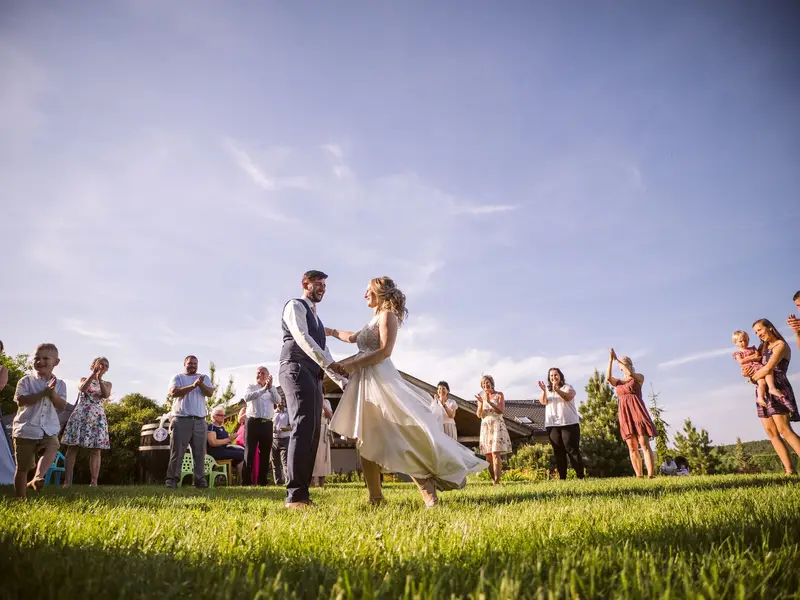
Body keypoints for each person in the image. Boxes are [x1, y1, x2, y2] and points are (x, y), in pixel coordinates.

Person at [328, 277, 487, 507]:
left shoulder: (387, 316)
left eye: (367, 291)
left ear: (379, 292)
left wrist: (353, 365)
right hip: (363, 383)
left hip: (380, 379)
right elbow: (352, 337)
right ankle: (376, 498)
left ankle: (426, 486)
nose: (364, 296)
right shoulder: (371, 320)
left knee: (396, 434)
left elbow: (385, 350)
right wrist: (331, 332)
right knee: (364, 437)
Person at [279, 270, 346, 509]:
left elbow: (324, 353)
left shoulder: (318, 319)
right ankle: (294, 496)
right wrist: (327, 364)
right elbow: (302, 338)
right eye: (318, 284)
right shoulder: (295, 306)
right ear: (305, 284)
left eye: (324, 285)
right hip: (295, 368)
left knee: (313, 430)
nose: (322, 288)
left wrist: (341, 381)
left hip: (314, 374)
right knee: (303, 424)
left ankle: (303, 494)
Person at [12, 343, 67, 499]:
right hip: (26, 428)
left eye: (45, 358)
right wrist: (43, 393)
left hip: (48, 428)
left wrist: (52, 394)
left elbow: (61, 405)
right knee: (22, 467)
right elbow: (21, 400)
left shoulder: (60, 384)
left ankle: (37, 477)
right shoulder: (26, 381)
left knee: (53, 445)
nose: (40, 361)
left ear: (56, 362)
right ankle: (21, 498)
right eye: (36, 358)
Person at [750, 318, 800, 475]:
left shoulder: (781, 345)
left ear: (770, 327)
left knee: (784, 429)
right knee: (771, 432)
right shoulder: (762, 348)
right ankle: (789, 471)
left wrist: (753, 376)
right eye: (756, 332)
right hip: (763, 390)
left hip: (778, 388)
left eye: (760, 329)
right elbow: (755, 370)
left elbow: (768, 368)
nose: (759, 334)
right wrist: (751, 376)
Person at [165, 355, 214, 489]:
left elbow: (210, 393)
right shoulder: (178, 378)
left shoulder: (204, 378)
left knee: (199, 453)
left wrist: (200, 384)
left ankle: (199, 480)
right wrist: (193, 386)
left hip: (199, 421)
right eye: (190, 363)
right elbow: (173, 392)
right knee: (178, 452)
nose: (192, 365)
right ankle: (172, 480)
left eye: (195, 363)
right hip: (181, 419)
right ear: (184, 364)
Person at [61, 357, 112, 487]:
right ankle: (67, 482)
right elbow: (82, 389)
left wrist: (99, 379)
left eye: (106, 365)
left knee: (96, 449)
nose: (103, 367)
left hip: (97, 417)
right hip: (81, 414)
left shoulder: (107, 384)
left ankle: (94, 482)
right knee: (72, 447)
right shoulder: (84, 379)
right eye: (101, 364)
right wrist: (93, 375)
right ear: (94, 364)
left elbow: (105, 395)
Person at [607, 349, 657, 479]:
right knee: (632, 446)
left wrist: (618, 359)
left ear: (629, 364)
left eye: (625, 363)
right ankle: (639, 475)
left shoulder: (638, 377)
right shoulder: (618, 382)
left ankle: (651, 475)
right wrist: (611, 360)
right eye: (621, 364)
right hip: (625, 413)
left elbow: (629, 373)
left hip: (637, 411)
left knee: (644, 443)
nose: (622, 366)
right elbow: (608, 378)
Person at [538, 367, 585, 480]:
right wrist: (544, 390)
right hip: (552, 425)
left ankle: (580, 476)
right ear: (549, 378)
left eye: (556, 375)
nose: (554, 377)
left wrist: (557, 390)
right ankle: (562, 478)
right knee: (558, 452)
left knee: (572, 450)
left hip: (569, 423)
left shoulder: (567, 387)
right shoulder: (547, 390)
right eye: (551, 376)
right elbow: (543, 401)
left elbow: (568, 397)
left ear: (560, 376)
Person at [243, 366, 279, 486]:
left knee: (265, 453)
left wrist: (270, 389)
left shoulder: (272, 389)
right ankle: (246, 481)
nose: (260, 375)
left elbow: (278, 401)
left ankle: (262, 480)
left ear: (268, 376)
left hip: (267, 423)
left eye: (263, 373)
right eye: (258, 373)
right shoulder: (251, 387)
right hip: (253, 422)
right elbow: (247, 397)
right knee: (250, 452)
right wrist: (263, 389)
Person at [475, 375, 512, 485]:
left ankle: (497, 480)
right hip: (486, 425)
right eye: (483, 384)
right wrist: (481, 404)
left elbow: (501, 410)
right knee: (488, 455)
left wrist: (490, 402)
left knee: (496, 453)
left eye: (487, 383)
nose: (486, 385)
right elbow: (479, 415)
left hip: (496, 424)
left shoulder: (499, 395)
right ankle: (493, 479)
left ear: (491, 383)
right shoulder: (481, 397)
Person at [732, 330, 781, 406]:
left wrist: (751, 358)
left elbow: (758, 357)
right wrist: (752, 357)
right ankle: (761, 397)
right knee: (762, 381)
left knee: (767, 375)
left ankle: (771, 389)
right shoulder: (738, 353)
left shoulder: (753, 348)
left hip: (759, 366)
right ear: (736, 343)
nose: (744, 343)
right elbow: (741, 361)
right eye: (741, 341)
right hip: (751, 368)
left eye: (746, 340)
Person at [207, 405, 244, 482]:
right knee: (244, 454)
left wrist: (231, 439)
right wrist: (228, 439)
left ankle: (240, 480)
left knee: (244, 453)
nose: (223, 417)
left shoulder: (222, 428)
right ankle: (240, 480)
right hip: (216, 452)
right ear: (213, 416)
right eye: (220, 415)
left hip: (224, 450)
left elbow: (226, 441)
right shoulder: (211, 427)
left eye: (223, 415)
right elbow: (213, 442)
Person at [312, 398, 333, 487]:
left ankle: (321, 484)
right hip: (313, 430)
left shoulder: (326, 402)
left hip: (323, 431)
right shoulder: (311, 400)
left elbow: (330, 415)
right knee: (313, 457)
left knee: (324, 458)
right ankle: (311, 482)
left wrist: (323, 405)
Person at [272, 399, 291, 485]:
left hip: (285, 438)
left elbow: (293, 426)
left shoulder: (289, 412)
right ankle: (278, 482)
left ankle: (287, 481)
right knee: (275, 462)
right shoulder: (272, 413)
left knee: (285, 461)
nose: (280, 404)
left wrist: (285, 429)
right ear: (276, 403)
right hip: (274, 440)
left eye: (282, 402)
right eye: (279, 403)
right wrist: (272, 429)